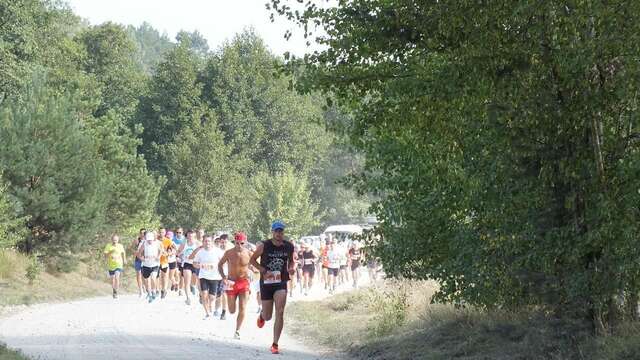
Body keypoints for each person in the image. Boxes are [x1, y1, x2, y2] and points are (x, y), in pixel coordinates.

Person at [250, 220, 295, 355]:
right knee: (268, 316)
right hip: (267, 283)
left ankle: (275, 344)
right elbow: (252, 260)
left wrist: (291, 268)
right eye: (276, 231)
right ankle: (262, 316)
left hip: (281, 282)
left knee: (280, 311)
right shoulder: (264, 245)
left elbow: (291, 261)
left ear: (283, 232)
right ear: (272, 232)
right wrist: (261, 269)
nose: (279, 233)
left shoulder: (289, 246)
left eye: (281, 231)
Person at [219, 231, 252, 339]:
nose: (239, 245)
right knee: (232, 310)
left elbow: (257, 265)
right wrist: (224, 277)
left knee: (242, 307)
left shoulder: (249, 253)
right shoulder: (229, 253)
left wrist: (253, 271)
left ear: (245, 242)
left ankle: (237, 331)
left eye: (241, 243)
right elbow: (220, 265)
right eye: (237, 243)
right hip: (231, 282)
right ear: (234, 242)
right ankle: (232, 306)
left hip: (244, 283)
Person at [190, 235, 224, 319]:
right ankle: (207, 313)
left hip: (215, 276)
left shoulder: (218, 251)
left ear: (212, 242)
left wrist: (216, 266)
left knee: (212, 297)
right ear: (203, 242)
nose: (207, 243)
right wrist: (200, 266)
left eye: (209, 241)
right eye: (205, 241)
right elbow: (194, 263)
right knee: (204, 294)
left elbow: (223, 262)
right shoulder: (200, 252)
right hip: (203, 276)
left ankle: (210, 306)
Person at [136, 231, 161, 303]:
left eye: (151, 239)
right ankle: (149, 294)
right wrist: (141, 258)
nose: (150, 241)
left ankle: (154, 291)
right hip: (146, 265)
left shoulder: (157, 243)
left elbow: (161, 251)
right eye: (148, 240)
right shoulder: (144, 244)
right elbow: (138, 253)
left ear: (153, 239)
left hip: (155, 264)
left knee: (153, 278)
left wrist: (158, 257)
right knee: (146, 280)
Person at [177, 230, 199, 305]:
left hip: (195, 263)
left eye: (191, 236)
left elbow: (203, 252)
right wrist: (180, 255)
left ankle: (193, 286)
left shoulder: (197, 243)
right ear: (187, 236)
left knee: (195, 279)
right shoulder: (184, 243)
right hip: (186, 263)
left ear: (194, 236)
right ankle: (188, 298)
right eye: (189, 236)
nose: (190, 237)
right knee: (187, 281)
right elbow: (178, 252)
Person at [104, 234, 126, 299]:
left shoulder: (120, 246)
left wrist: (124, 259)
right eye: (113, 240)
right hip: (111, 264)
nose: (115, 241)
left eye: (116, 240)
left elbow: (123, 252)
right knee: (112, 279)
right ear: (111, 240)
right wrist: (110, 252)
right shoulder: (108, 246)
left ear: (118, 240)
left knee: (117, 277)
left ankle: (116, 291)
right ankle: (114, 290)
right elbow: (105, 255)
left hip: (119, 264)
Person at [131, 229, 146, 297]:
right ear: (139, 233)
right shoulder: (137, 240)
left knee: (144, 275)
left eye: (144, 233)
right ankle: (140, 290)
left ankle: (144, 286)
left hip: (145, 259)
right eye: (141, 233)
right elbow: (131, 248)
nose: (143, 234)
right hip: (138, 259)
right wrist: (135, 252)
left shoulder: (148, 240)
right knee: (138, 274)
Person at [173, 227, 186, 294]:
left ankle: (180, 289)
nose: (178, 234)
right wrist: (176, 256)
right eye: (177, 232)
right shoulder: (173, 239)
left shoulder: (185, 239)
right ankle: (175, 283)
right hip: (174, 258)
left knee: (182, 275)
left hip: (182, 259)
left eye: (180, 232)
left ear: (182, 232)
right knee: (176, 273)